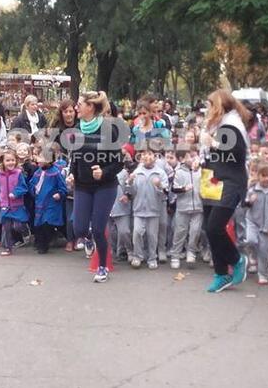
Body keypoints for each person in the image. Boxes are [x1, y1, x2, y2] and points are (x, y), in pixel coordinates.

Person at [70, 91, 125, 283]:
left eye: (79, 104)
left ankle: (102, 267)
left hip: (105, 186)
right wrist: (71, 173)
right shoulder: (77, 128)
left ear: (90, 107)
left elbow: (119, 162)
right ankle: (88, 240)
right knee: (79, 229)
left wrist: (104, 171)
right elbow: (74, 157)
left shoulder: (109, 129)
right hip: (82, 185)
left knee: (100, 229)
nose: (76, 107)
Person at [200, 89, 251, 293]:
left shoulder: (232, 125)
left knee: (215, 227)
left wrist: (212, 143)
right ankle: (221, 274)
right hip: (213, 179)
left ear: (219, 105)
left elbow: (236, 153)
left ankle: (237, 260)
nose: (207, 108)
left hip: (230, 182)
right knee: (209, 228)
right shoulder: (220, 124)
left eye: (210, 104)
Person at [129, 146, 168, 270]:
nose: (147, 157)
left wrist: (159, 186)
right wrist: (129, 182)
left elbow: (165, 194)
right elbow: (131, 192)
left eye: (150, 154)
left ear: (155, 157)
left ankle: (152, 258)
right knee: (137, 233)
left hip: (154, 209)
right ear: (140, 157)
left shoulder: (160, 173)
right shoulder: (136, 172)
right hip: (139, 209)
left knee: (152, 235)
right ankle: (138, 256)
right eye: (144, 154)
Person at [243, 162, 268, 285]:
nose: (266, 179)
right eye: (263, 175)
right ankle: (252, 255)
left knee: (264, 251)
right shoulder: (252, 189)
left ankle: (262, 274)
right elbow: (244, 204)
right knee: (251, 240)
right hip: (252, 222)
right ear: (258, 176)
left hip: (267, 226)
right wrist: (250, 201)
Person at [169, 148, 203, 269]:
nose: (192, 159)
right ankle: (175, 255)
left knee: (195, 232)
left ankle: (191, 252)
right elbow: (173, 189)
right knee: (180, 232)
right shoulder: (178, 171)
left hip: (198, 207)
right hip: (183, 208)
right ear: (182, 159)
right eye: (189, 157)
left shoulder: (200, 170)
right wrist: (184, 189)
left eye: (194, 156)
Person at [0, 149, 31, 256]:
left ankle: (25, 230)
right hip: (4, 205)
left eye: (13, 160)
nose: (11, 163)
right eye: (8, 160)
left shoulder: (19, 173)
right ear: (3, 162)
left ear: (16, 161)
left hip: (17, 205)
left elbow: (23, 187)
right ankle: (7, 248)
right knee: (6, 227)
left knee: (17, 226)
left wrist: (15, 193)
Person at [30, 150, 67, 254]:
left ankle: (45, 244)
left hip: (51, 203)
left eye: (41, 157)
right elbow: (32, 184)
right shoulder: (38, 172)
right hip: (40, 202)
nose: (38, 160)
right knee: (39, 224)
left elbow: (63, 187)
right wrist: (33, 190)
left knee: (48, 222)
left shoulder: (55, 173)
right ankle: (40, 243)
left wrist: (59, 194)